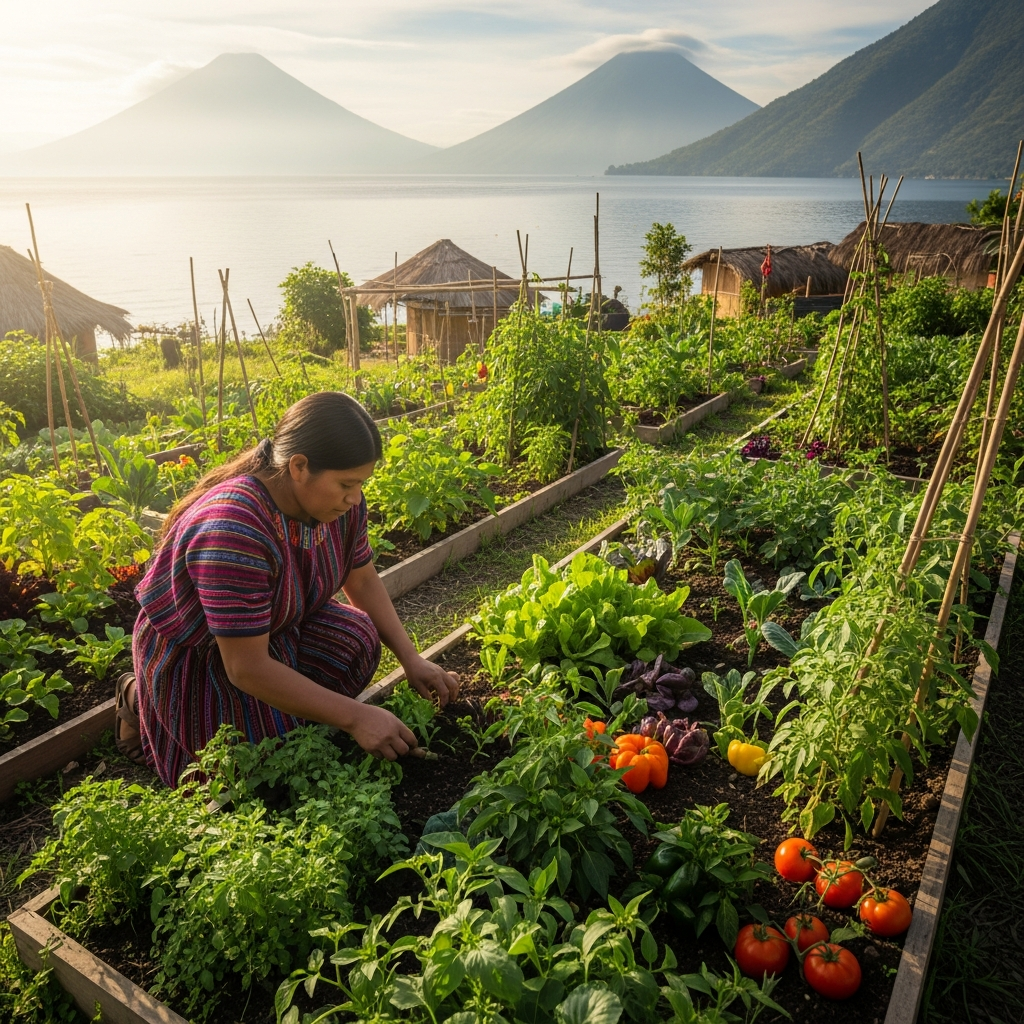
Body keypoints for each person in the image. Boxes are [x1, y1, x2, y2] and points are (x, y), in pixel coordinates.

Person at [115, 391, 459, 787]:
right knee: (255, 772)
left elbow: (360, 577)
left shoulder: (337, 506)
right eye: (347, 483)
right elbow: (246, 667)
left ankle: (283, 707)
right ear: (298, 466)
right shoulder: (234, 528)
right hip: (206, 657)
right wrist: (355, 716)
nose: (356, 497)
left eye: (361, 483)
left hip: (276, 631)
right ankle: (139, 697)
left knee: (357, 642)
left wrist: (411, 658)